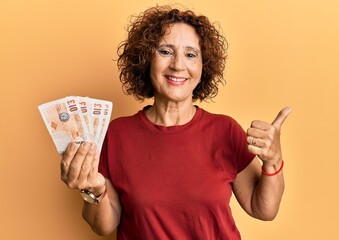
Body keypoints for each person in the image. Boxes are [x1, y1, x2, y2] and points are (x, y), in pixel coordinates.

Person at [60, 5, 292, 240]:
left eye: (190, 54)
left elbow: (263, 209)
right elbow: (104, 226)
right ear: (146, 59)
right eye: (165, 51)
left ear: (203, 66)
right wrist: (95, 191)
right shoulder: (117, 134)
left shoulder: (226, 131)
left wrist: (273, 160)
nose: (178, 65)